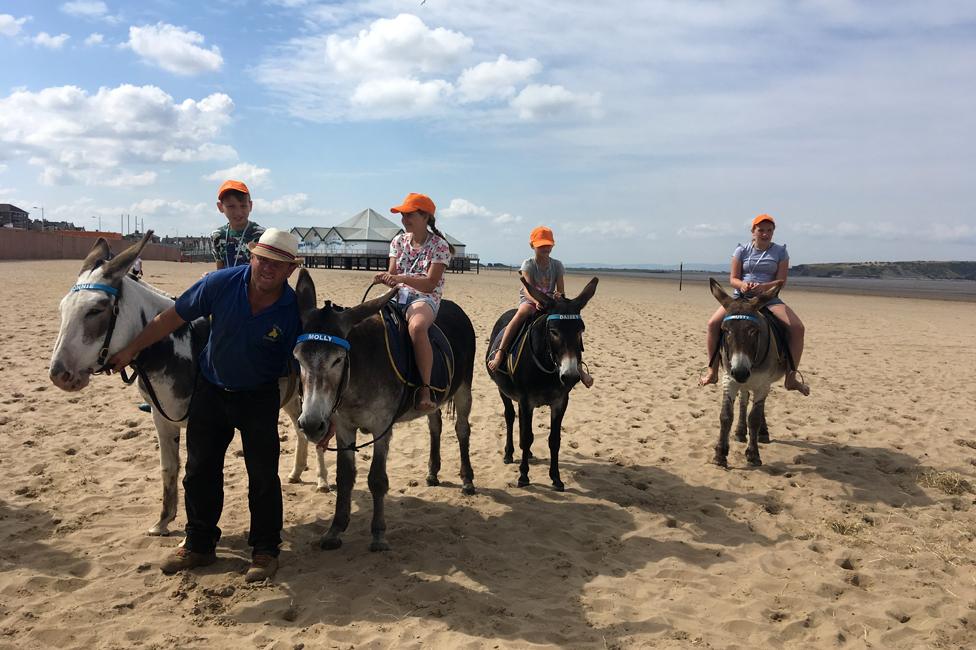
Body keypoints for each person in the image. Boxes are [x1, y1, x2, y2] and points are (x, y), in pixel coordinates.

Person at [109, 228, 302, 582]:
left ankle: (265, 549)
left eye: (278, 263)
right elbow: (171, 318)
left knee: (263, 476)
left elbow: (305, 361)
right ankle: (198, 544)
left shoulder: (292, 310)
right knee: (199, 471)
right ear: (252, 257)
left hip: (259, 395)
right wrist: (130, 350)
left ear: (290, 269)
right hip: (212, 388)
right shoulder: (220, 283)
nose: (268, 268)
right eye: (263, 258)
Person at [699, 213, 809, 395]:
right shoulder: (741, 250)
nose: (765, 234)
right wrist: (743, 285)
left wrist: (764, 287)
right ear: (753, 231)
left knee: (797, 328)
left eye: (769, 230)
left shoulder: (780, 252)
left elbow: (781, 280)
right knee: (712, 324)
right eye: (761, 230)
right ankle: (713, 371)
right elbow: (733, 278)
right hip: (740, 298)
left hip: (768, 298)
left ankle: (791, 377)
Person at [373, 193, 452, 412]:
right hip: (397, 294)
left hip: (424, 298)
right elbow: (392, 274)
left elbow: (429, 284)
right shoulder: (398, 241)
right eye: (403, 215)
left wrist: (400, 279)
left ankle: (425, 389)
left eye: (409, 215)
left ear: (425, 216)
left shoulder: (440, 245)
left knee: (417, 327)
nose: (404, 219)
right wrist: (386, 278)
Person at [487, 226, 594, 388]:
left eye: (548, 245)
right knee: (521, 314)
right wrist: (535, 301)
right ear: (533, 246)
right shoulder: (528, 264)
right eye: (541, 245)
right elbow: (527, 288)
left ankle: (578, 367)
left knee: (569, 326)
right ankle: (500, 353)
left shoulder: (557, 265)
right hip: (531, 301)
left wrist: (559, 296)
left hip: (551, 303)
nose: (545, 248)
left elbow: (561, 290)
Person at [211, 180, 266, 270]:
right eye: (231, 206)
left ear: (250, 205)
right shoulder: (217, 236)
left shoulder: (261, 235)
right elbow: (220, 269)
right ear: (220, 207)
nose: (238, 212)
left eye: (243, 206)